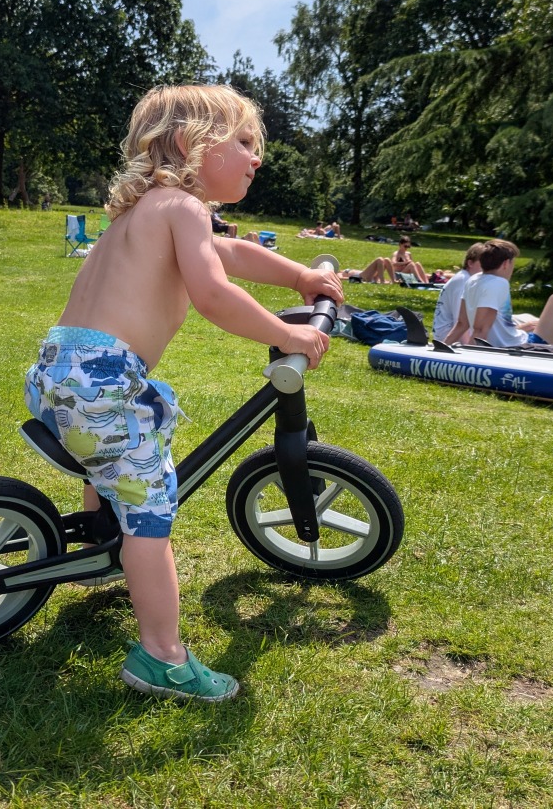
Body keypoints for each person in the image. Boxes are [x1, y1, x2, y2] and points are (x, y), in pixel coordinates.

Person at [24, 84, 344, 702]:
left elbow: (230, 255)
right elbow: (215, 293)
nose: (258, 158)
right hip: (102, 381)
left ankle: (98, 535)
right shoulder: (183, 209)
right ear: (186, 145)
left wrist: (304, 275)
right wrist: (288, 334)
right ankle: (162, 657)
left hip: (58, 370)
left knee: (115, 450)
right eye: (246, 142)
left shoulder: (141, 213)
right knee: (151, 511)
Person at [435, 242, 488, 343]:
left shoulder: (467, 278)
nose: (486, 269)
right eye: (483, 264)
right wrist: (467, 350)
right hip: (449, 339)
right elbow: (460, 322)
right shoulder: (463, 282)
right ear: (470, 263)